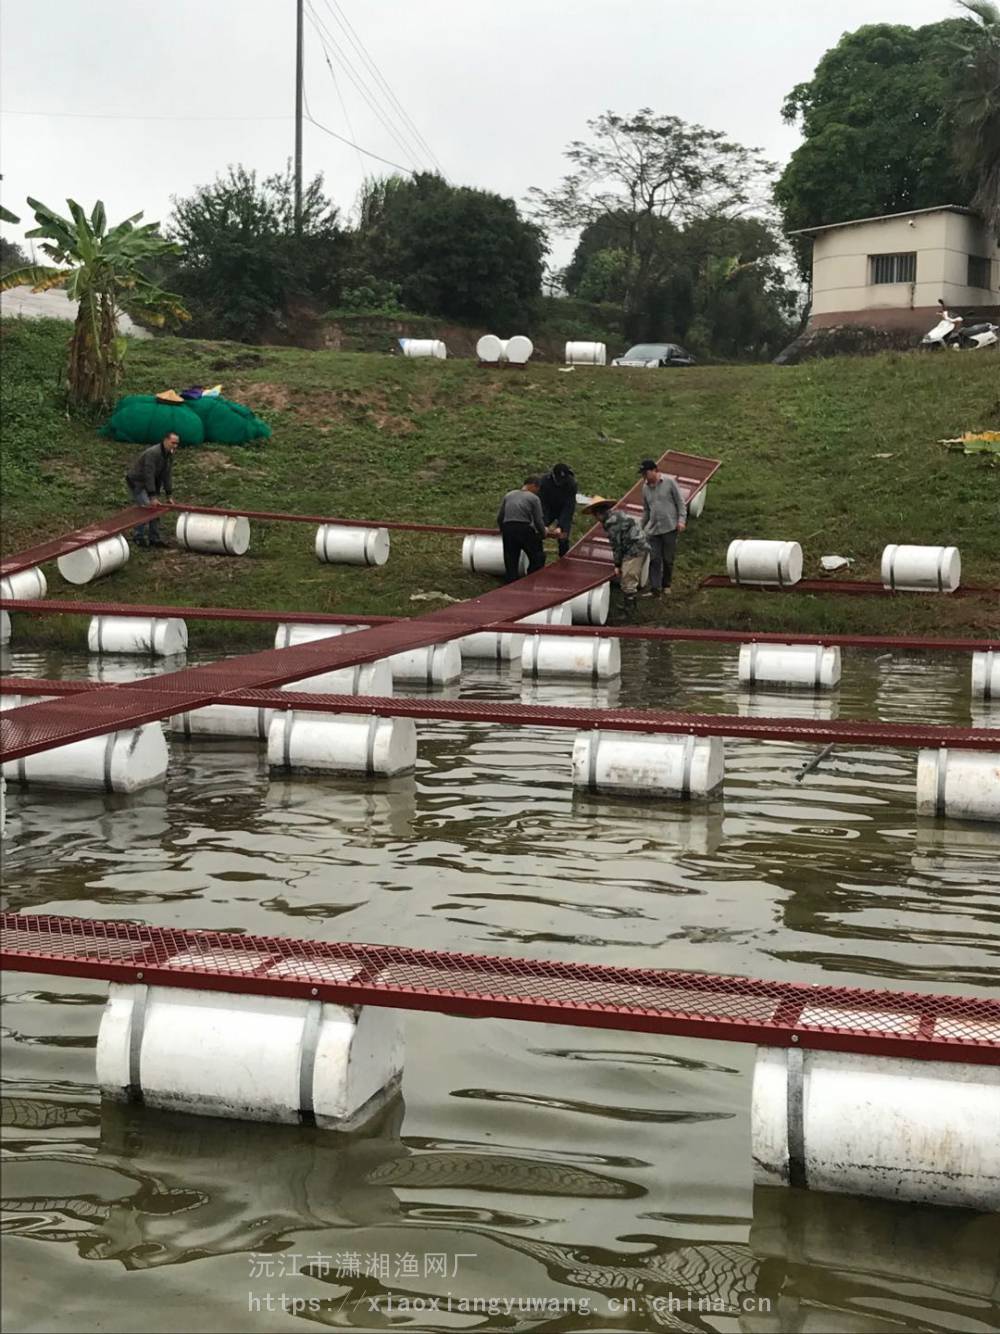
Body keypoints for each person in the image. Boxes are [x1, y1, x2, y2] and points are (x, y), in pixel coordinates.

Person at [583, 497, 650, 611]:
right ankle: (629, 606)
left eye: (595, 515)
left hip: (634, 550)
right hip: (639, 545)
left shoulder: (611, 524)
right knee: (629, 578)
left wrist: (617, 565)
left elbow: (616, 546)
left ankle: (629, 610)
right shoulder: (618, 515)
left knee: (628, 580)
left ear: (599, 514)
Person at [639, 457, 686, 595]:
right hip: (653, 530)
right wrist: (641, 526)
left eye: (646, 473)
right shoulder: (645, 488)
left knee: (668, 558)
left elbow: (680, 503)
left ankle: (666, 585)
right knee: (654, 558)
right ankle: (655, 588)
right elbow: (646, 509)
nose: (644, 477)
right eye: (642, 474)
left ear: (654, 470)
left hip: (670, 527)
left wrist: (681, 520)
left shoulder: (670, 482)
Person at [126, 432, 179, 548]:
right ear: (165, 440)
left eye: (177, 444)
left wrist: (169, 495)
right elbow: (148, 475)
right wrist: (153, 496)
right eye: (173, 443)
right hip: (138, 482)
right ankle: (138, 537)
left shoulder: (169, 454)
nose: (175, 446)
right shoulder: (153, 453)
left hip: (151, 483)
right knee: (146, 508)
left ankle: (154, 539)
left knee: (155, 509)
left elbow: (167, 475)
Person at [496, 476, 547, 582]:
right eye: (538, 488)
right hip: (523, 528)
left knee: (511, 558)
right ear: (533, 485)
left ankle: (511, 582)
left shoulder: (509, 495)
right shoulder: (533, 498)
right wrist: (543, 533)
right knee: (538, 556)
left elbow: (500, 516)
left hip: (508, 528)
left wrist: (502, 529)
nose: (538, 491)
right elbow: (538, 520)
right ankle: (531, 579)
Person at [538, 462, 577, 557]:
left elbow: (569, 507)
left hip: (563, 508)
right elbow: (542, 503)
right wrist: (543, 523)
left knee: (563, 538)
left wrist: (562, 526)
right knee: (538, 533)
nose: (560, 483)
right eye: (558, 480)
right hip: (548, 507)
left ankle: (564, 559)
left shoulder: (571, 484)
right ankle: (537, 557)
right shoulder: (544, 482)